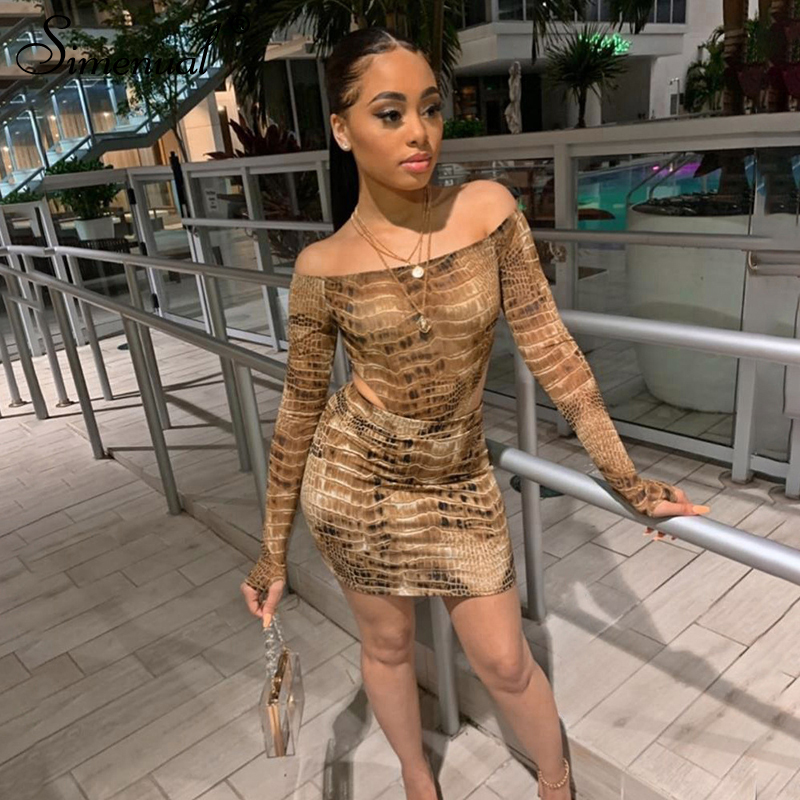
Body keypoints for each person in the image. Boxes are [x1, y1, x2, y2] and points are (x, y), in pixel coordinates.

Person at [241, 27, 710, 800]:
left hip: (459, 480)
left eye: (430, 108)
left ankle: (555, 783)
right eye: (389, 113)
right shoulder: (322, 267)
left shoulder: (487, 210)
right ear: (342, 129)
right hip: (356, 485)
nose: (419, 132)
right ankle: (418, 781)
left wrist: (628, 482)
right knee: (387, 648)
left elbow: (554, 353)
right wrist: (270, 553)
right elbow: (298, 412)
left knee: (504, 659)